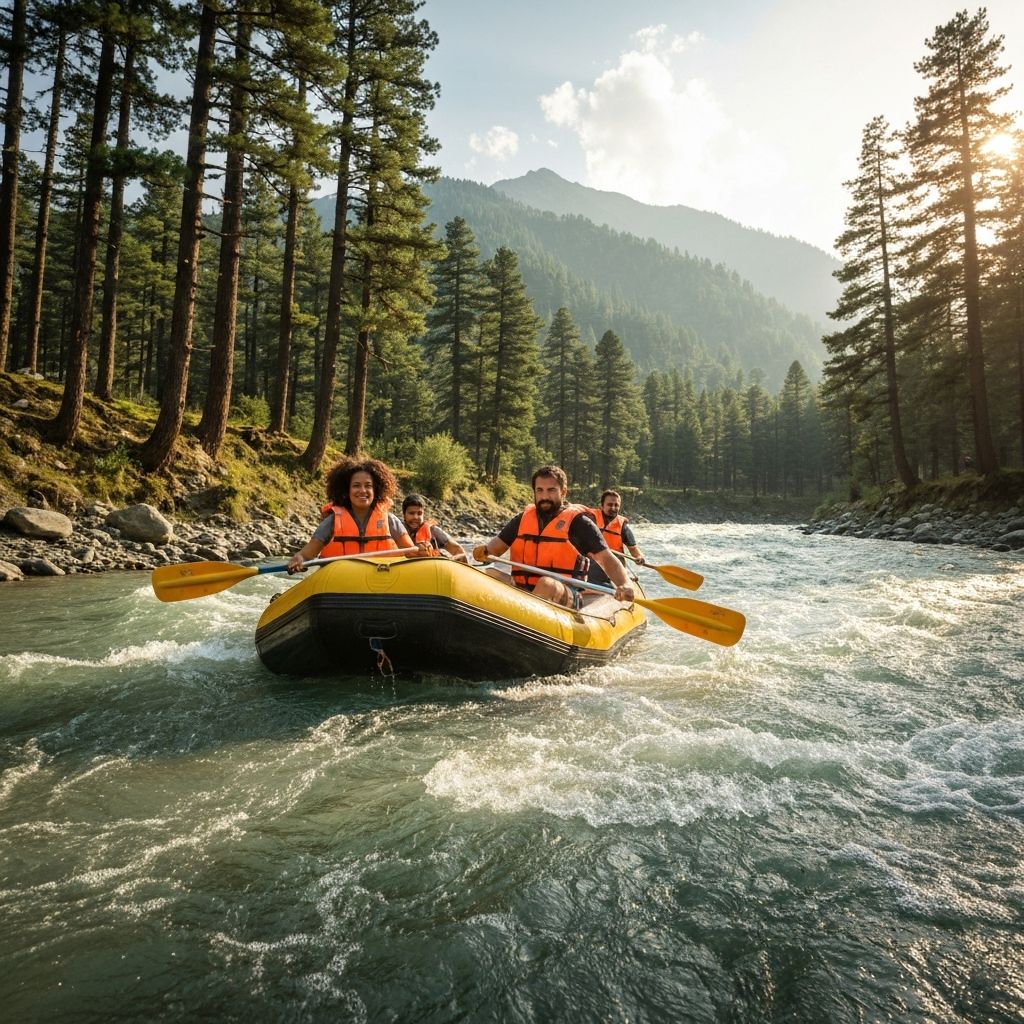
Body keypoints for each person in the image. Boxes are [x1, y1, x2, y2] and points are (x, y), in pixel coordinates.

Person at [473, 465, 635, 607]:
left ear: (563, 492)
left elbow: (608, 560)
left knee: (546, 584)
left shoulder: (579, 523)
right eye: (540, 490)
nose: (544, 497)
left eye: (551, 490)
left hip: (566, 594)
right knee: (490, 573)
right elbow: (494, 550)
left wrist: (625, 584)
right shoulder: (522, 519)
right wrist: (484, 552)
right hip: (522, 589)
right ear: (534, 492)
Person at [286, 457, 430, 572]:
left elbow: (411, 552)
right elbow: (306, 555)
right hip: (340, 584)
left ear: (376, 490)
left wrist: (423, 550)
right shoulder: (332, 521)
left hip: (381, 582)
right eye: (356, 486)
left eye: (368, 486)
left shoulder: (389, 520)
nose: (362, 490)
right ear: (346, 490)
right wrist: (298, 559)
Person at [585, 489, 646, 587]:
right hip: (591, 567)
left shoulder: (622, 527)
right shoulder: (590, 520)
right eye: (609, 504)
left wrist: (639, 557)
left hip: (614, 570)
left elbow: (633, 549)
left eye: (616, 505)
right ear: (602, 506)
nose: (613, 508)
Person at [401, 493, 468, 563]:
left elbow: (459, 551)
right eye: (411, 513)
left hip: (434, 568)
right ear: (404, 514)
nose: (415, 517)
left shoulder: (433, 531)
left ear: (423, 514)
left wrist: (451, 560)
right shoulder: (396, 530)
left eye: (419, 513)